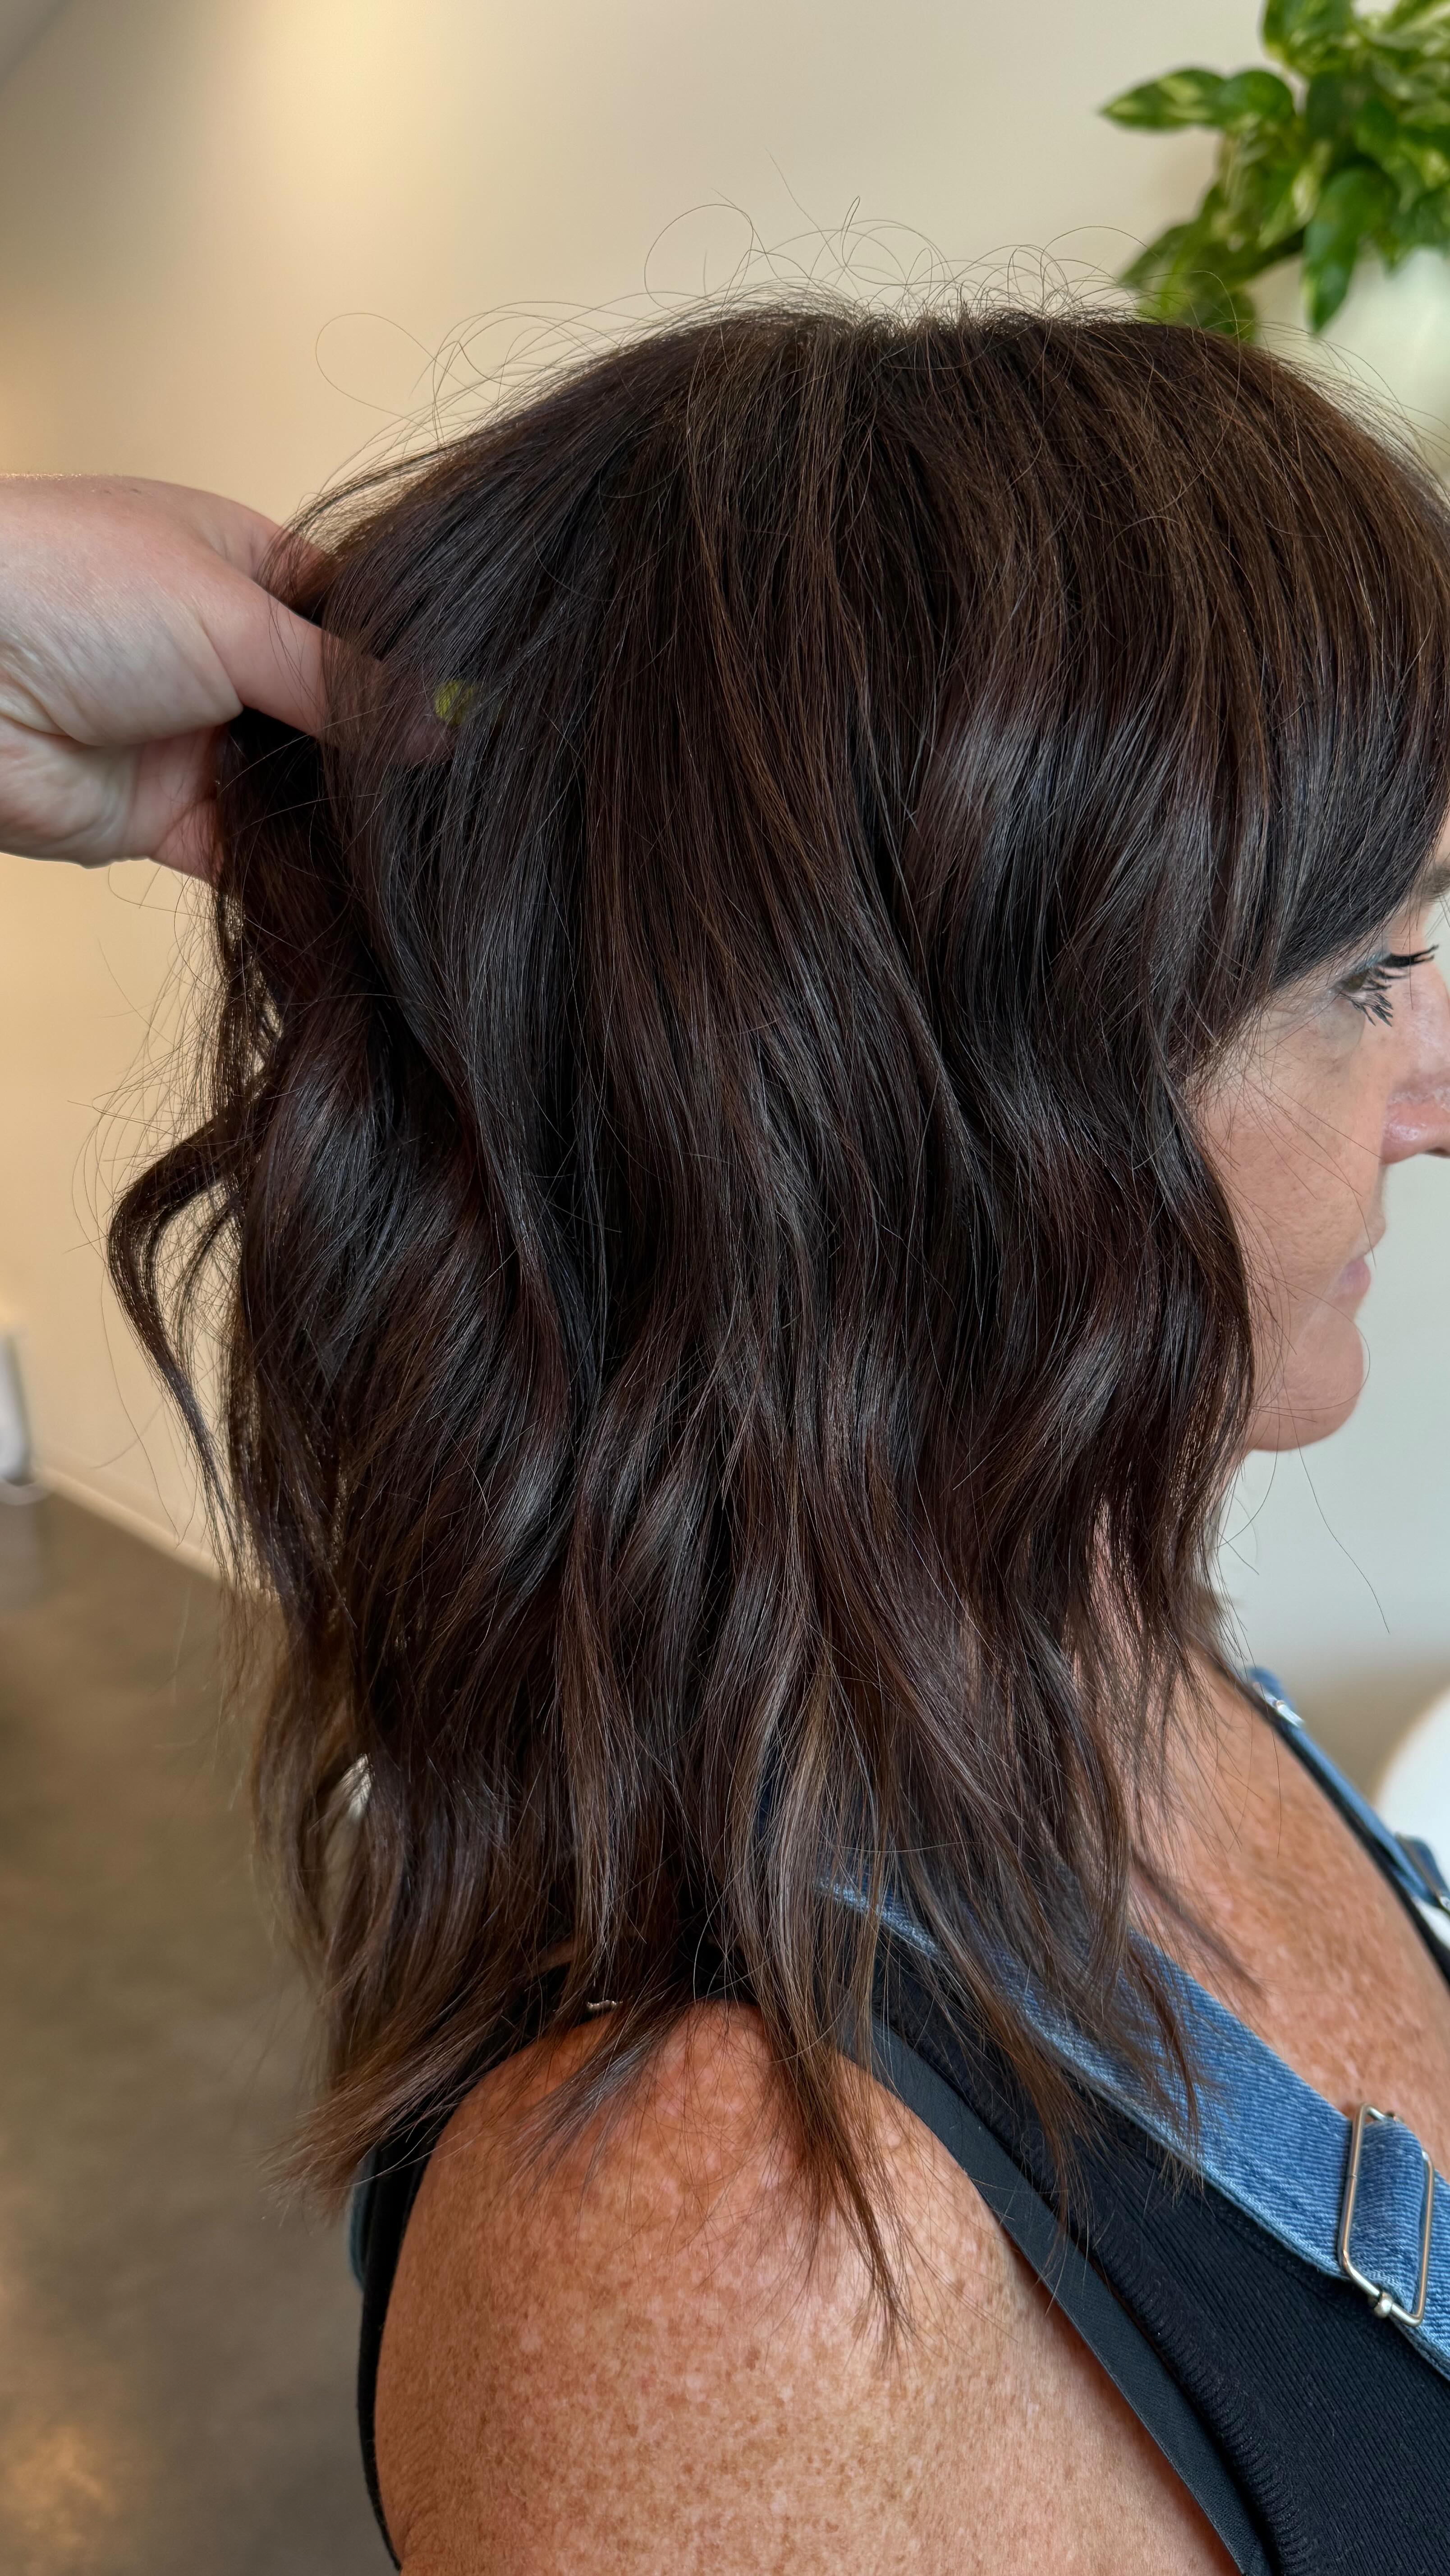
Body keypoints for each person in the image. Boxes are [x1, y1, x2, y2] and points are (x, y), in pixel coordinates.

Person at [6, 303, 1450, 2574]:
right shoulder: (725, 2267)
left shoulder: (1100, 1640)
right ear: (925, 1104)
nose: (1436, 1089)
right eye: (1366, 978)